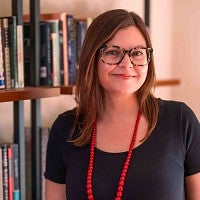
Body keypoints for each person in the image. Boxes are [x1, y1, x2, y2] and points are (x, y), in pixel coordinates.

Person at [44, 9, 200, 200]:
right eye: (112, 52)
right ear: (92, 59)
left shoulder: (181, 120)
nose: (127, 63)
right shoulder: (65, 128)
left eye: (137, 53)